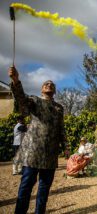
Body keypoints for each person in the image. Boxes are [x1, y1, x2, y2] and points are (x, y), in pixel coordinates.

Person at [8, 66, 65, 214]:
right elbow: (22, 101)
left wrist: (66, 146)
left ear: (55, 91)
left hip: (50, 153)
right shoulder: (35, 100)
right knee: (26, 185)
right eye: (46, 83)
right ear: (41, 89)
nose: (49, 84)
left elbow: (61, 128)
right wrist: (16, 81)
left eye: (52, 84)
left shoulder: (59, 108)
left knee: (44, 188)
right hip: (32, 151)